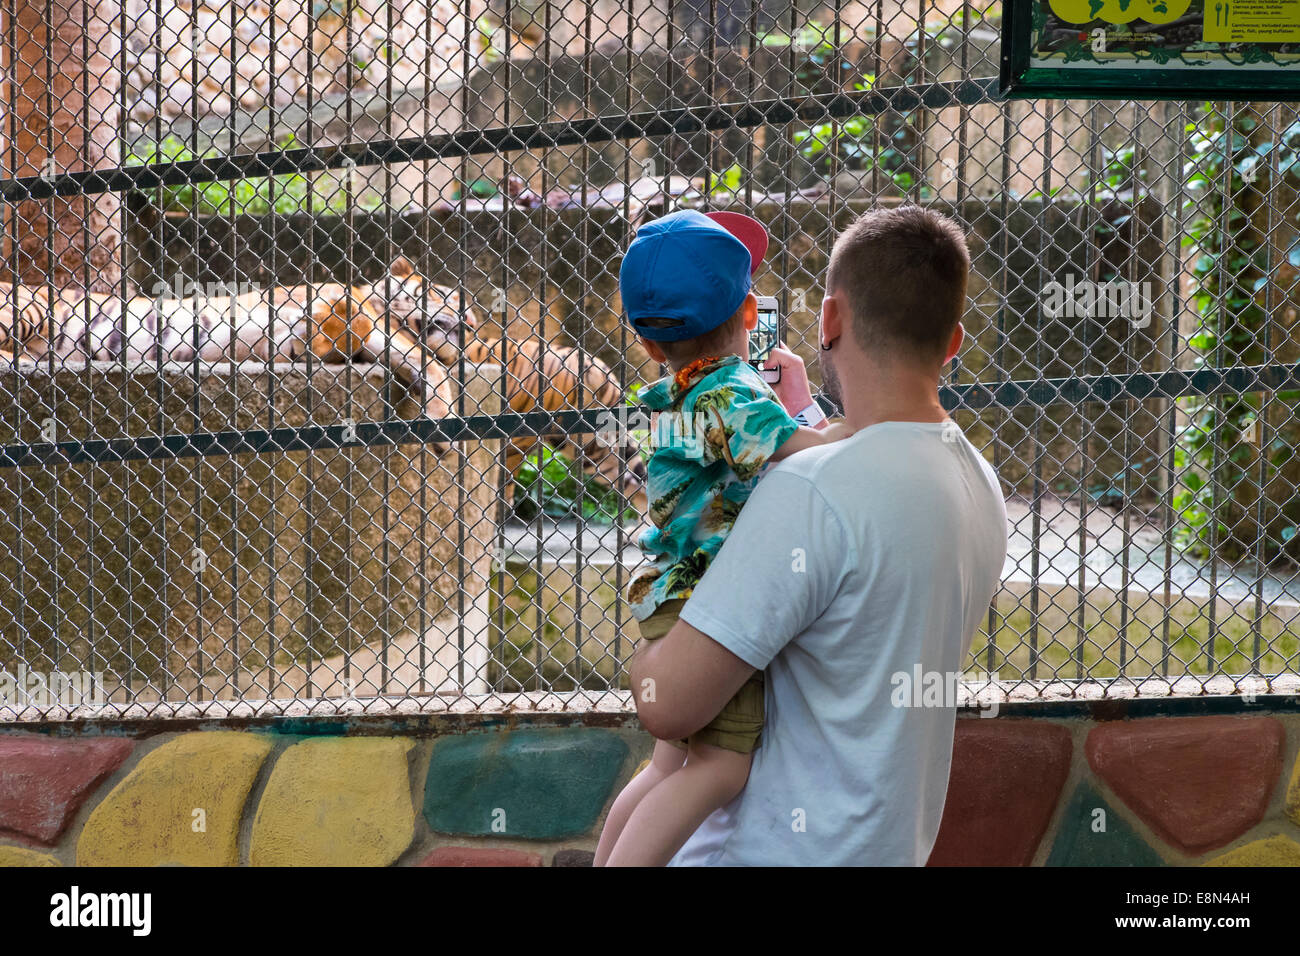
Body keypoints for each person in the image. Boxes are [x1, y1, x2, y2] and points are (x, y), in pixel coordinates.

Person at [630, 204, 1009, 866]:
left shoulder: (811, 490)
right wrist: (802, 414)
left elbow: (671, 705)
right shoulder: (977, 481)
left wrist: (646, 655)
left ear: (829, 319)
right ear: (952, 342)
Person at [593, 209, 848, 867]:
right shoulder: (733, 391)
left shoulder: (677, 391)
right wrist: (874, 423)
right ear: (748, 309)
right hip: (704, 602)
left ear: (649, 344)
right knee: (721, 766)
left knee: (666, 766)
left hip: (666, 594)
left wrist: (790, 402)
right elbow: (807, 454)